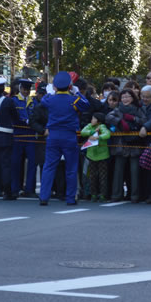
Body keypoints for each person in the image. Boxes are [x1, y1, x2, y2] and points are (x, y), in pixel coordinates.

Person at [38, 71, 90, 206]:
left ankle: (44, 197)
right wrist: (76, 92)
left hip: (53, 136)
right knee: (71, 168)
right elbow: (86, 105)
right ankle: (70, 198)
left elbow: (43, 101)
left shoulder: (50, 99)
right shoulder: (74, 100)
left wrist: (50, 92)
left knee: (49, 167)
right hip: (69, 136)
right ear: (70, 86)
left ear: (55, 86)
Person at [106, 88, 145, 203]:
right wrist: (120, 121)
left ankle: (135, 196)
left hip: (135, 143)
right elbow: (108, 118)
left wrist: (133, 119)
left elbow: (144, 120)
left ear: (133, 98)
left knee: (135, 171)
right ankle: (116, 195)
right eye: (123, 97)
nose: (125, 99)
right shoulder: (118, 110)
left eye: (128, 97)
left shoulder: (138, 109)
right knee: (118, 171)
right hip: (120, 144)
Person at [11, 79, 38, 198]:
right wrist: (24, 121)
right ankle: (15, 188)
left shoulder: (34, 102)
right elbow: (13, 117)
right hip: (17, 135)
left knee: (32, 163)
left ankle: (30, 189)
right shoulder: (14, 101)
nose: (26, 92)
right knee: (16, 163)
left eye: (28, 90)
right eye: (24, 89)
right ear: (20, 88)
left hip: (31, 135)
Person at [80, 112, 111, 202]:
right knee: (92, 176)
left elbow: (107, 134)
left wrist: (98, 137)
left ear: (98, 120)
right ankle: (93, 194)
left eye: (93, 118)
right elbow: (83, 132)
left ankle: (103, 195)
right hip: (91, 155)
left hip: (102, 156)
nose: (91, 120)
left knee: (102, 176)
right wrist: (92, 132)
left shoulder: (102, 127)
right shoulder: (90, 126)